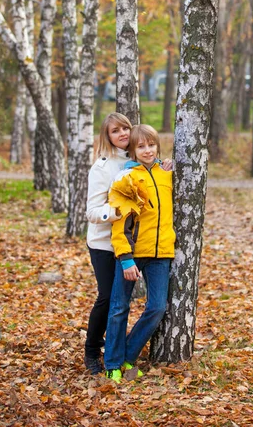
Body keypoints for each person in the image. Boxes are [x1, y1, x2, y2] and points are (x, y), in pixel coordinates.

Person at [104, 124, 175, 383]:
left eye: (151, 145)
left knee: (156, 307)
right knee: (118, 308)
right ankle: (111, 363)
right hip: (132, 254)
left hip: (161, 253)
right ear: (133, 150)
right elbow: (119, 223)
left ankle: (128, 357)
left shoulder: (167, 174)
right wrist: (125, 259)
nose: (147, 150)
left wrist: (169, 166)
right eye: (141, 146)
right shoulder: (127, 178)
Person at [84, 112, 133, 375]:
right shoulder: (102, 167)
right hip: (104, 243)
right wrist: (116, 212)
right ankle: (91, 350)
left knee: (122, 300)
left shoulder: (138, 160)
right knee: (107, 297)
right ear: (108, 136)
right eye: (116, 131)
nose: (122, 134)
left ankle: (116, 348)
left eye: (125, 128)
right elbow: (92, 211)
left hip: (131, 244)